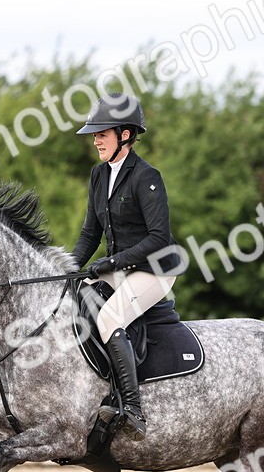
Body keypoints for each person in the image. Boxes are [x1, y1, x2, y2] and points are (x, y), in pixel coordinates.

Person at [70, 92, 184, 441]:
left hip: (153, 271)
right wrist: (69, 268)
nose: (95, 139)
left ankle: (131, 408)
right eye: (95, 133)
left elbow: (159, 238)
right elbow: (91, 233)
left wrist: (114, 261)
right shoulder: (98, 175)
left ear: (125, 135)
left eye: (102, 132)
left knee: (109, 318)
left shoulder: (146, 177)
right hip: (117, 269)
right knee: (73, 303)